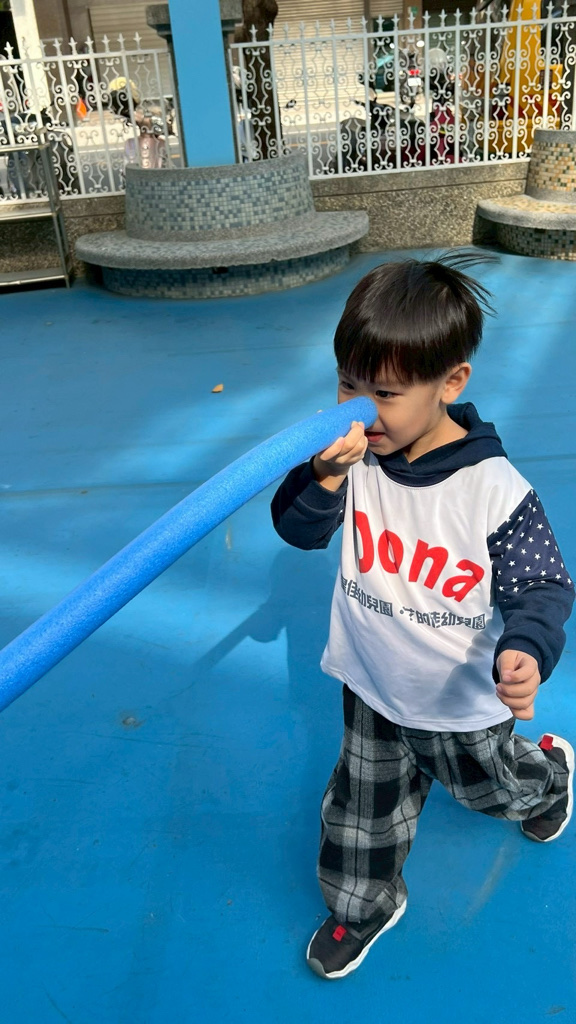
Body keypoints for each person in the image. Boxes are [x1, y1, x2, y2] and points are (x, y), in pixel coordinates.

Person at [271, 252, 574, 980]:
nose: (359, 409)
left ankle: (551, 774)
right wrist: (324, 476)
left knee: (493, 789)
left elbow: (542, 583)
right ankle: (362, 907)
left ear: (452, 382)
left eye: (383, 392)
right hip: (372, 685)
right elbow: (298, 529)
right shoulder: (356, 459)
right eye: (347, 383)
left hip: (460, 701)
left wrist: (526, 648)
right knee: (360, 812)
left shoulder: (494, 490)